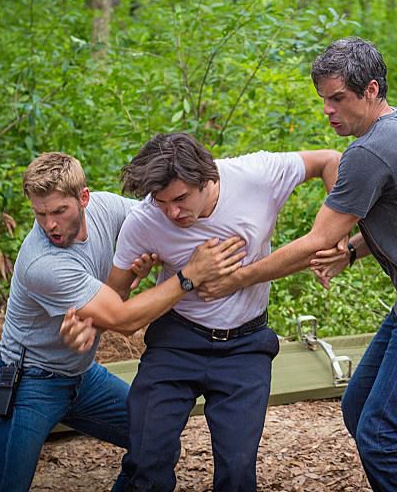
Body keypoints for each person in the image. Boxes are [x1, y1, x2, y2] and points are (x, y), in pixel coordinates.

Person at [198, 37, 397, 491]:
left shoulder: (369, 152)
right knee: (359, 409)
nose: (327, 110)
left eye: (338, 98)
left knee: (381, 435)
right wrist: (354, 251)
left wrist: (238, 279)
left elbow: (318, 240)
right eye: (323, 100)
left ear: (372, 90)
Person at [60, 132, 340, 492]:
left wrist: (336, 238)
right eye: (161, 202)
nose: (173, 213)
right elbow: (114, 294)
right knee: (147, 456)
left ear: (208, 178)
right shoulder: (144, 220)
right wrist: (89, 322)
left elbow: (330, 160)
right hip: (177, 340)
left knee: (238, 471)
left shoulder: (256, 174)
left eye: (180, 199)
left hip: (245, 344)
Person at [0, 152, 244, 492]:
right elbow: (123, 320)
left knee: (154, 445)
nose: (50, 225)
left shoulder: (107, 209)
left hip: (82, 376)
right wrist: (189, 275)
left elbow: (158, 221)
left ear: (84, 198)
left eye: (59, 211)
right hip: (31, 381)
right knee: (6, 487)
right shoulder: (42, 263)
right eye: (40, 214)